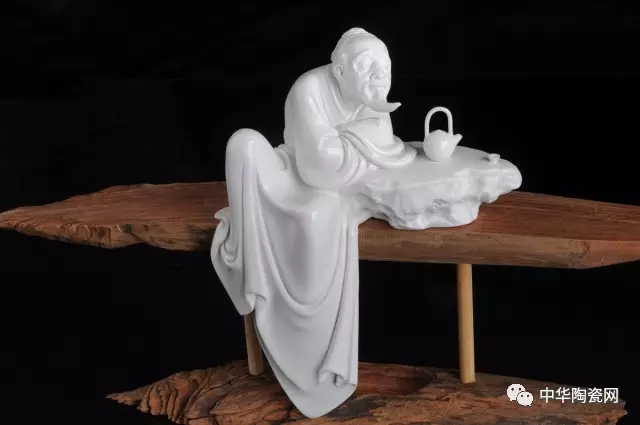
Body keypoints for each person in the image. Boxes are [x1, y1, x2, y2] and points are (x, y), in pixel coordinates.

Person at [211, 28, 414, 418]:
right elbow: (319, 168)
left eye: (385, 67)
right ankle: (296, 339)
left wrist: (346, 143)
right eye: (368, 67)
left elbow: (385, 145)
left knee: (321, 215)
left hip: (334, 184)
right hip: (292, 174)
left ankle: (318, 359)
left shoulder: (372, 97)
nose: (379, 75)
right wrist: (359, 143)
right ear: (340, 72)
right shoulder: (309, 90)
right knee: (253, 152)